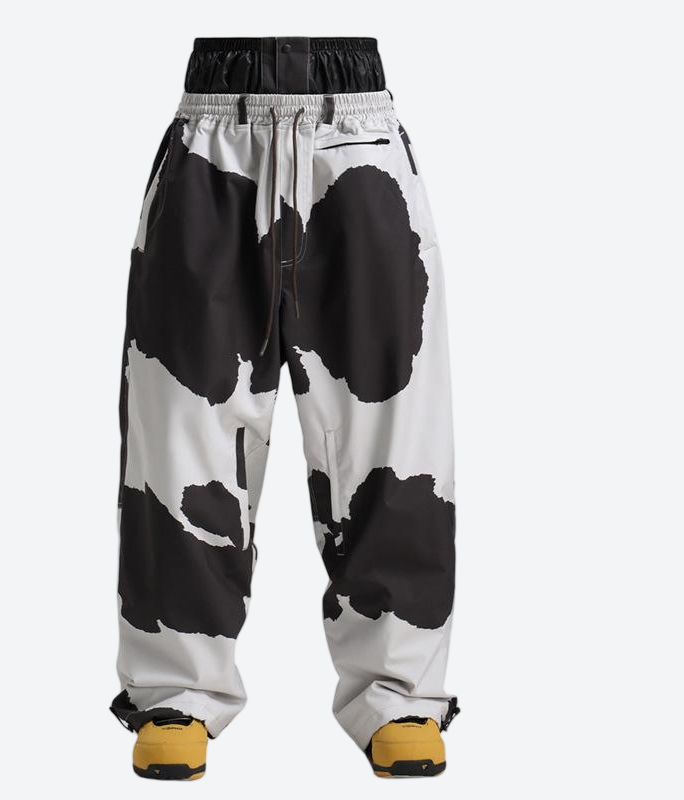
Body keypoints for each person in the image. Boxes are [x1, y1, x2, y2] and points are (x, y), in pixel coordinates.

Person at [111, 36, 460, 780]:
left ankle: (398, 695)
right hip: (214, 140)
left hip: (357, 138)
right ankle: (176, 692)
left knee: (390, 431)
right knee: (181, 427)